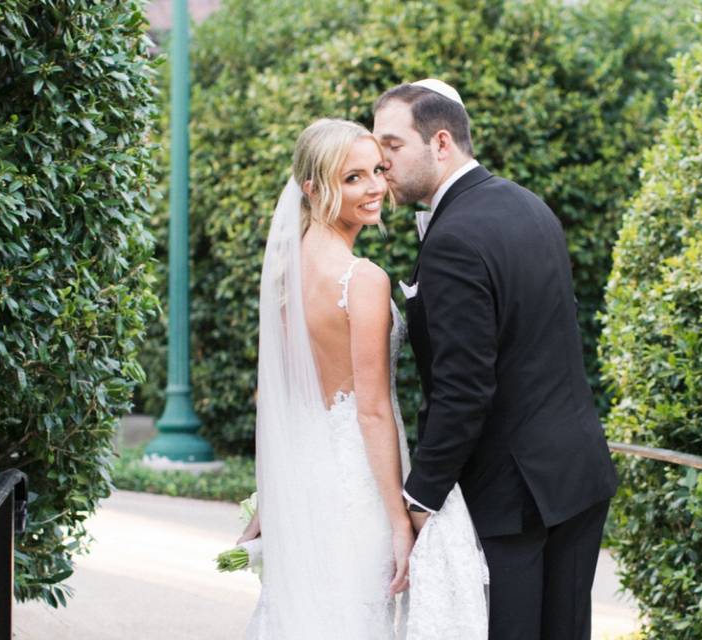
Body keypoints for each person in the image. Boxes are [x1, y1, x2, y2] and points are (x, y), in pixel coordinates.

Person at [373, 80, 620, 640]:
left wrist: (420, 499)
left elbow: (464, 387)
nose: (380, 162)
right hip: (575, 476)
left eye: (391, 145)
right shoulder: (527, 203)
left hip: (513, 494)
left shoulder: (455, 236)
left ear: (440, 143)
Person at [240, 118, 487, 640]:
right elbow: (371, 408)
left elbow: (278, 396)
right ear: (313, 188)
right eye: (353, 178)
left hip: (302, 482)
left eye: (377, 169)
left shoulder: (286, 273)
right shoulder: (363, 279)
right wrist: (401, 519)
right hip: (358, 485)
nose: (376, 186)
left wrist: (271, 493)